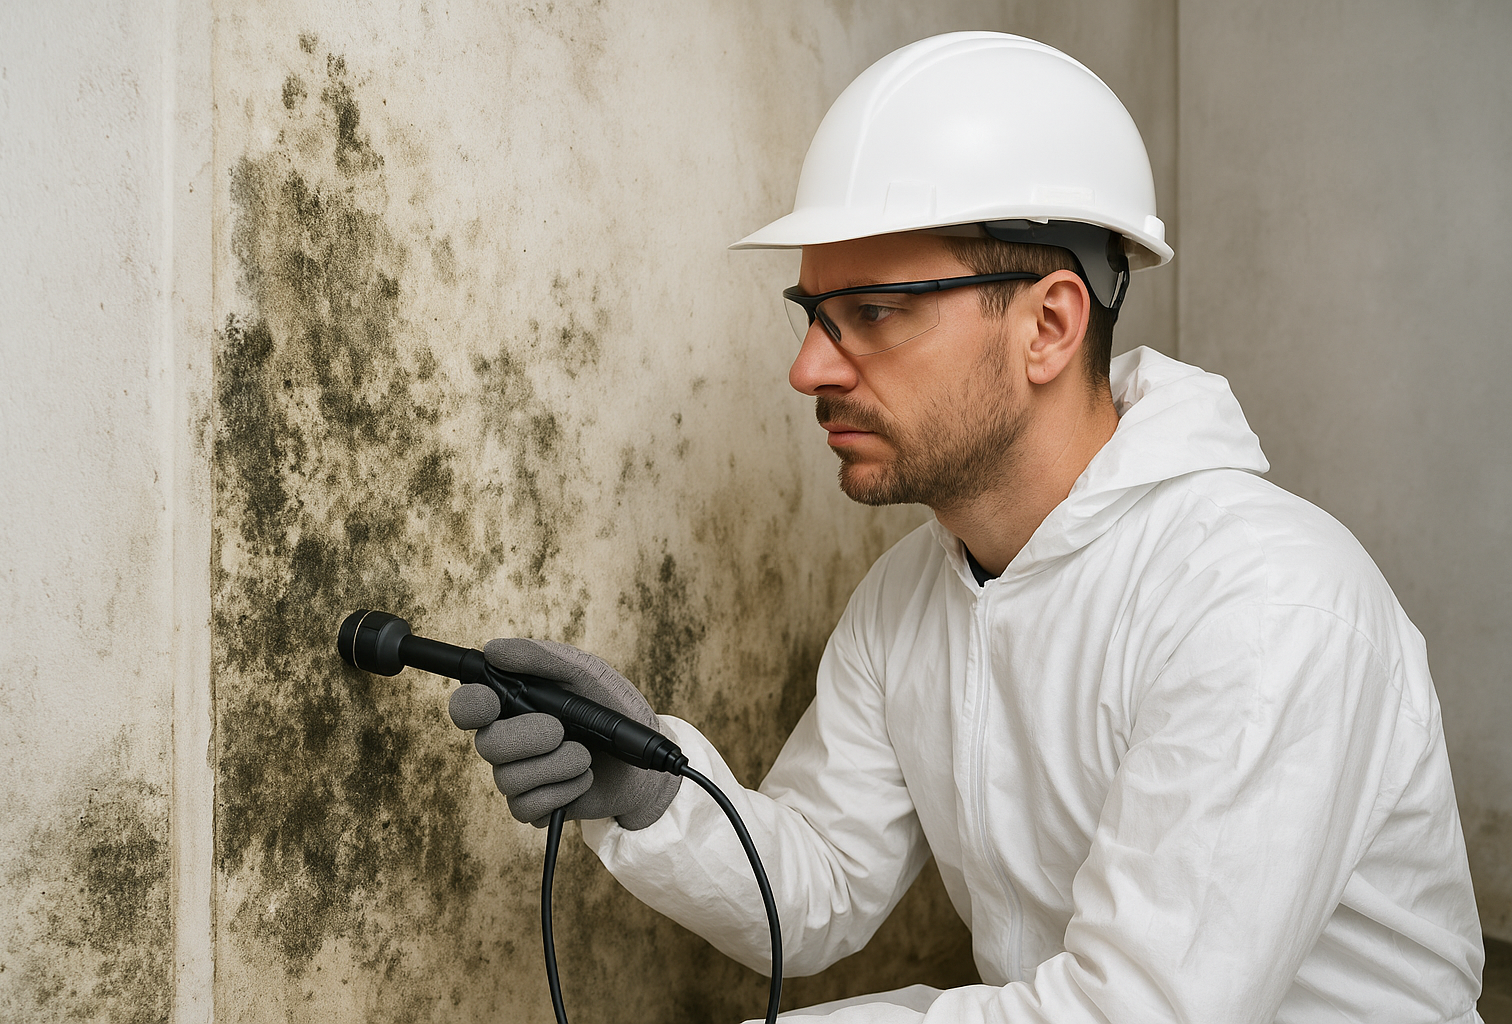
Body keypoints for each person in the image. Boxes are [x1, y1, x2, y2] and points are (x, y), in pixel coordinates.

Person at [448, 32, 1485, 1022]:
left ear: (1048, 324)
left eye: (876, 311)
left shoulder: (1260, 598)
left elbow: (1141, 1015)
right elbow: (821, 886)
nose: (808, 368)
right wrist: (654, 789)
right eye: (811, 314)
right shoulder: (910, 597)